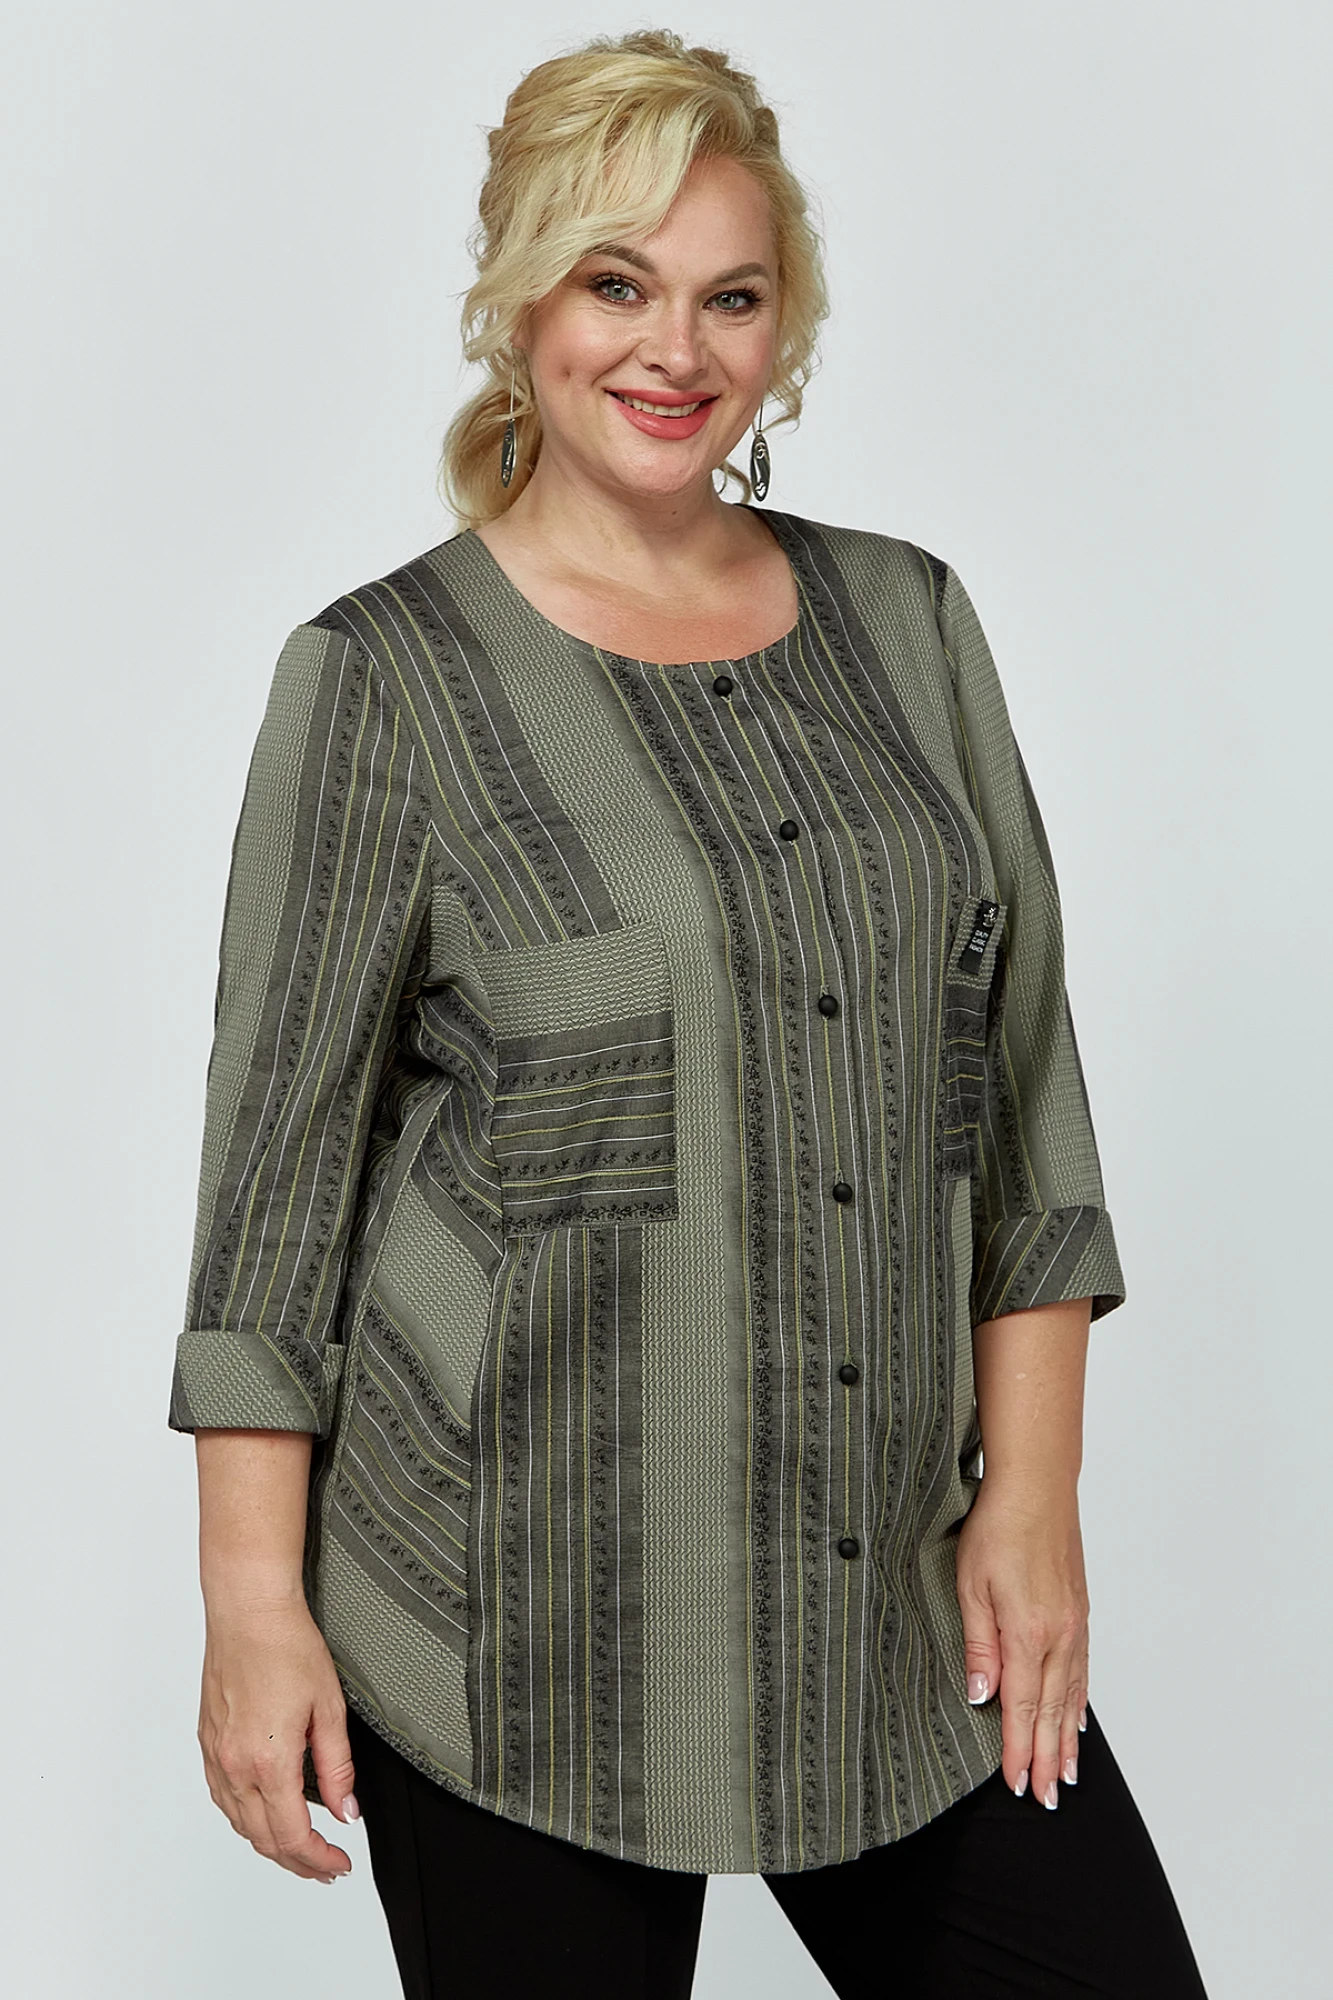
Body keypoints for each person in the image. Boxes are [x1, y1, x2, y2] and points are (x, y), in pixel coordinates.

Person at [169, 26, 1209, 2000]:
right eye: (616, 284)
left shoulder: (911, 625)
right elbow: (277, 1186)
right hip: (512, 1620)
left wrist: (1036, 1503)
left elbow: (1020, 1096)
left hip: (896, 1594)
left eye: (732, 296)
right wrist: (250, 1604)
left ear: (782, 325)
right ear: (520, 307)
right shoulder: (383, 680)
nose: (676, 348)